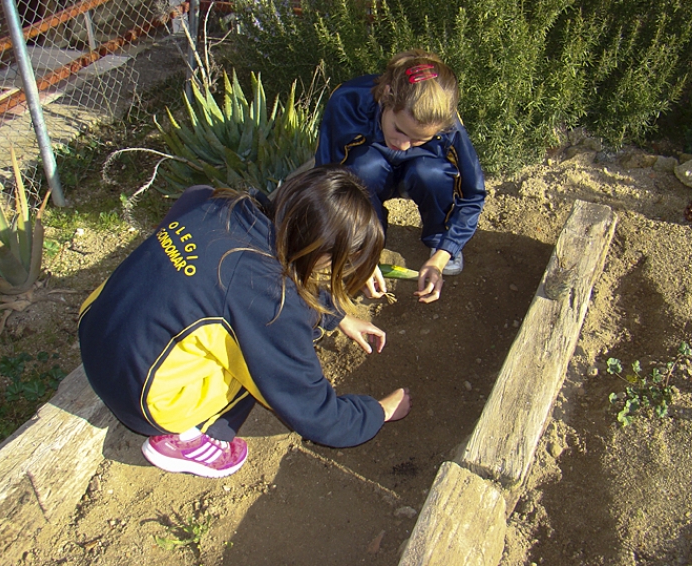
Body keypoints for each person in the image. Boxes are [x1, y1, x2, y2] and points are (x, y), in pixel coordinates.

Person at [78, 165, 411, 479]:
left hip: (97, 325)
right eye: (338, 265)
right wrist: (379, 410)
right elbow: (317, 415)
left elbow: (228, 282)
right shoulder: (269, 301)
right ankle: (192, 439)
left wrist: (337, 316)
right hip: (137, 393)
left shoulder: (217, 201)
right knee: (254, 364)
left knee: (210, 310)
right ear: (320, 253)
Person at [315, 49, 486, 304]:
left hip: (420, 171)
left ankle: (440, 236)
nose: (405, 145)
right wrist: (359, 253)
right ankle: (366, 237)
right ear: (386, 96)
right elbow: (326, 180)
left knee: (433, 174)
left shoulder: (450, 125)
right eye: (399, 129)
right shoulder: (347, 101)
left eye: (420, 138)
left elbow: (472, 195)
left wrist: (442, 256)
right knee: (362, 168)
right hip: (370, 169)